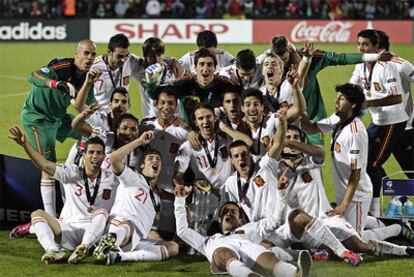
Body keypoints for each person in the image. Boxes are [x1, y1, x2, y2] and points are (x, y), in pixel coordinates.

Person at [9, 127, 114, 264]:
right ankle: (54, 250)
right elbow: (44, 164)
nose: (95, 156)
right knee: (37, 214)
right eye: (91, 152)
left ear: (104, 157)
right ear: (84, 155)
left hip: (98, 235)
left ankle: (85, 247)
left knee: (102, 212)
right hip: (69, 230)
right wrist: (25, 145)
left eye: (99, 153)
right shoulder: (72, 173)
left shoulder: (112, 178)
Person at [20, 39, 100, 218]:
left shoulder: (88, 77)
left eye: (93, 54)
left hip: (59, 117)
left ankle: (71, 169)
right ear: (76, 55)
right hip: (38, 118)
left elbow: (87, 106)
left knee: (90, 134)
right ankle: (50, 219)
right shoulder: (63, 66)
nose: (89, 57)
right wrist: (56, 84)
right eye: (86, 53)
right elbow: (33, 75)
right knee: (48, 166)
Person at [174, 185, 312, 277]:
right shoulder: (208, 240)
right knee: (223, 251)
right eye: (225, 212)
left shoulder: (250, 228)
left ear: (240, 220)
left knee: (266, 256)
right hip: (222, 253)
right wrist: (179, 200)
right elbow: (182, 231)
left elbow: (276, 221)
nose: (229, 214)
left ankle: (295, 274)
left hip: (247, 247)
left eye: (233, 212)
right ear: (220, 220)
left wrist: (282, 195)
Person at [93, 131, 179, 265]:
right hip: (119, 227)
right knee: (129, 224)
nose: (155, 160)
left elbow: (163, 194)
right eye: (150, 158)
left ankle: (119, 256)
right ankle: (109, 243)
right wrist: (139, 141)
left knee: (173, 247)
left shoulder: (155, 197)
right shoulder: (134, 178)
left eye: (158, 159)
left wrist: (181, 199)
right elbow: (114, 159)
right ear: (141, 165)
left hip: (137, 238)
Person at [349, 29, 408, 217]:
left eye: (366, 44)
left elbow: (397, 97)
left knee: (373, 163)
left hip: (393, 121)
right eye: (359, 44)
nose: (361, 48)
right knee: (365, 161)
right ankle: (400, 196)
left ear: (377, 47)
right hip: (377, 121)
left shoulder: (388, 66)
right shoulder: (360, 66)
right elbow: (352, 88)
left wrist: (370, 102)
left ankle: (374, 210)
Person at [173, 104, 252, 234]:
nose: (205, 121)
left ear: (215, 118)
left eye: (209, 117)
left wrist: (224, 127)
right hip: (203, 198)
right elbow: (178, 176)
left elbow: (248, 143)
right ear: (195, 122)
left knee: (232, 238)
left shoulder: (226, 139)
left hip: (229, 196)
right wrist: (181, 192)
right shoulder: (189, 146)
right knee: (199, 241)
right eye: (201, 118)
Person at [139, 88, 189, 239]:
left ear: (176, 106)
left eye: (171, 104)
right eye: (163, 103)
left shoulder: (184, 130)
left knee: (167, 233)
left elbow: (187, 155)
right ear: (156, 104)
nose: (166, 107)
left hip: (169, 187)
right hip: (147, 187)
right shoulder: (145, 126)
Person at [146, 48, 239, 124]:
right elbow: (155, 94)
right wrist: (150, 82)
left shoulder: (225, 85)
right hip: (189, 133)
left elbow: (243, 99)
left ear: (215, 68)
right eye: (202, 64)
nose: (205, 69)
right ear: (195, 68)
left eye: (209, 65)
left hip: (218, 132)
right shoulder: (183, 84)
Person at [138, 36, 184, 118]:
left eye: (159, 55)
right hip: (150, 120)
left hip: (174, 120)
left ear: (163, 55)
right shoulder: (138, 68)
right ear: (145, 56)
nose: (156, 59)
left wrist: (173, 61)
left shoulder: (173, 69)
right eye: (152, 56)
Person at [91, 34, 131, 113]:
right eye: (120, 56)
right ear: (109, 52)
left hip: (120, 117)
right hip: (100, 119)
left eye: (126, 55)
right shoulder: (93, 67)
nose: (123, 60)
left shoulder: (131, 62)